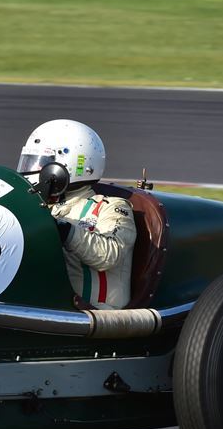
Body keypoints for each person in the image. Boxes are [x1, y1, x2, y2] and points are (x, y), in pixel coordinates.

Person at [16, 119, 136, 310]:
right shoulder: (38, 206)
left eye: (41, 163)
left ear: (68, 165)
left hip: (97, 317)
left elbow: (110, 254)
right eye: (29, 161)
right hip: (44, 307)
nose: (32, 170)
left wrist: (62, 229)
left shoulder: (110, 207)